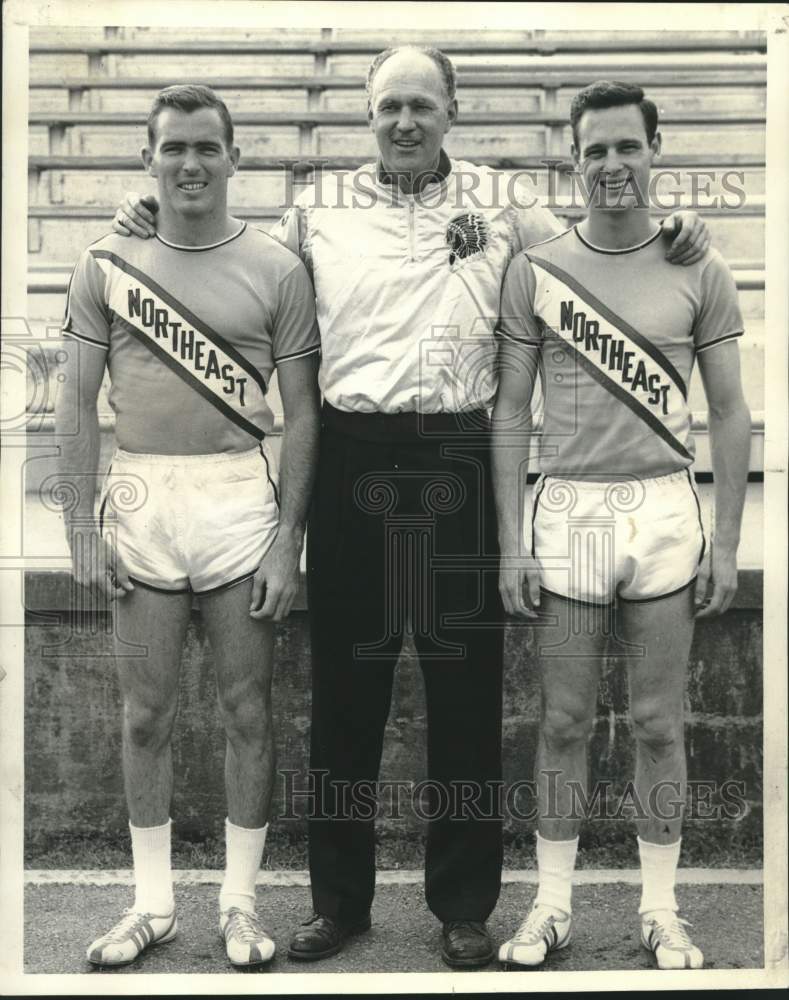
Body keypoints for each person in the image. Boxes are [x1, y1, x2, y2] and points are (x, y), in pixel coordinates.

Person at [111, 49, 710, 969]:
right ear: (366, 113)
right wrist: (148, 219)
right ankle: (337, 904)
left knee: (462, 695)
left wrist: (678, 232)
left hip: (462, 454)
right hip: (352, 454)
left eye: (421, 106)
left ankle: (463, 906)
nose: (403, 121)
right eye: (388, 105)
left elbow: (594, 255)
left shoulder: (504, 201)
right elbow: (236, 262)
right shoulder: (317, 208)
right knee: (345, 696)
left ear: (452, 111)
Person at [55, 84, 321, 969]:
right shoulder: (104, 260)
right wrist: (83, 530)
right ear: (148, 159)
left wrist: (289, 536)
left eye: (208, 147)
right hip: (142, 495)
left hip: (238, 497)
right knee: (145, 714)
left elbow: (304, 411)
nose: (191, 164)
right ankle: (153, 903)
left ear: (234, 157)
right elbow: (73, 399)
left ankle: (240, 904)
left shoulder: (278, 266)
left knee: (248, 710)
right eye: (173, 148)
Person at [492, 80, 750, 971]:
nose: (610, 164)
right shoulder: (536, 267)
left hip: (662, 508)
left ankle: (660, 908)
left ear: (653, 151)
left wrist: (727, 535)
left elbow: (728, 413)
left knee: (655, 723)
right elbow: (507, 412)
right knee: (561, 721)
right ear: (574, 158)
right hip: (568, 508)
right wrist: (510, 540)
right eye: (594, 149)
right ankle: (551, 905)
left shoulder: (697, 265)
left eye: (625, 147)